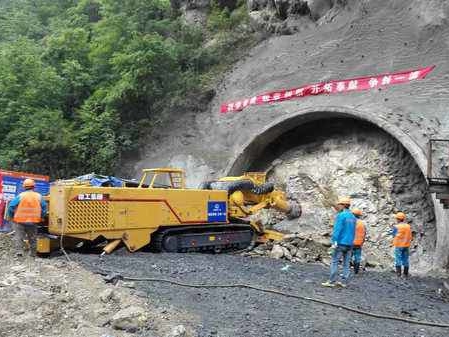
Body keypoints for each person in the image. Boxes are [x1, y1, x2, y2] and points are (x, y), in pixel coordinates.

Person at [322, 196, 357, 288]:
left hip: (341, 242)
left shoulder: (341, 216)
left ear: (343, 205)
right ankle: (344, 282)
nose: (338, 206)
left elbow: (337, 229)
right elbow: (353, 231)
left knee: (334, 261)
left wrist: (334, 242)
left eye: (340, 204)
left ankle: (331, 281)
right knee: (346, 263)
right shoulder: (353, 217)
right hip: (350, 244)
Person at [7, 178, 47, 257]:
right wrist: (41, 217)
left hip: (19, 221)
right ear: (34, 187)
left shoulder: (20, 196)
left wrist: (11, 216)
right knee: (32, 238)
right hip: (33, 221)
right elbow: (44, 208)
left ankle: (19, 252)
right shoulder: (39, 196)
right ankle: (33, 254)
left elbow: (11, 206)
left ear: (24, 187)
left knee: (19, 237)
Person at [390, 212, 412, 277]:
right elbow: (410, 235)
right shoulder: (408, 226)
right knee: (405, 259)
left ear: (398, 219)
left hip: (399, 245)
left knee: (398, 259)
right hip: (406, 245)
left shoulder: (396, 226)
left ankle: (398, 274)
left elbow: (393, 235)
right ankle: (405, 273)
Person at [351, 208, 366, 274]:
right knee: (357, 257)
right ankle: (356, 271)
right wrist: (362, 242)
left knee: (348, 256)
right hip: (359, 243)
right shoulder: (362, 223)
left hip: (351, 242)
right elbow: (364, 233)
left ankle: (346, 270)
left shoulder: (351, 222)